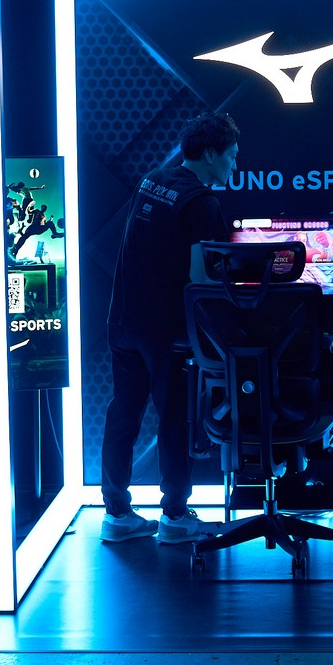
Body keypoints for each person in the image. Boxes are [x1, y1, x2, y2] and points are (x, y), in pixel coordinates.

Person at [101, 112, 240, 544]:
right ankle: (176, 516)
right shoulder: (202, 203)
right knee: (176, 418)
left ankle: (116, 514)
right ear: (211, 154)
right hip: (165, 330)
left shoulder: (154, 179)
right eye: (232, 156)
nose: (235, 165)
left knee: (123, 413)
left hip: (123, 319)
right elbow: (200, 279)